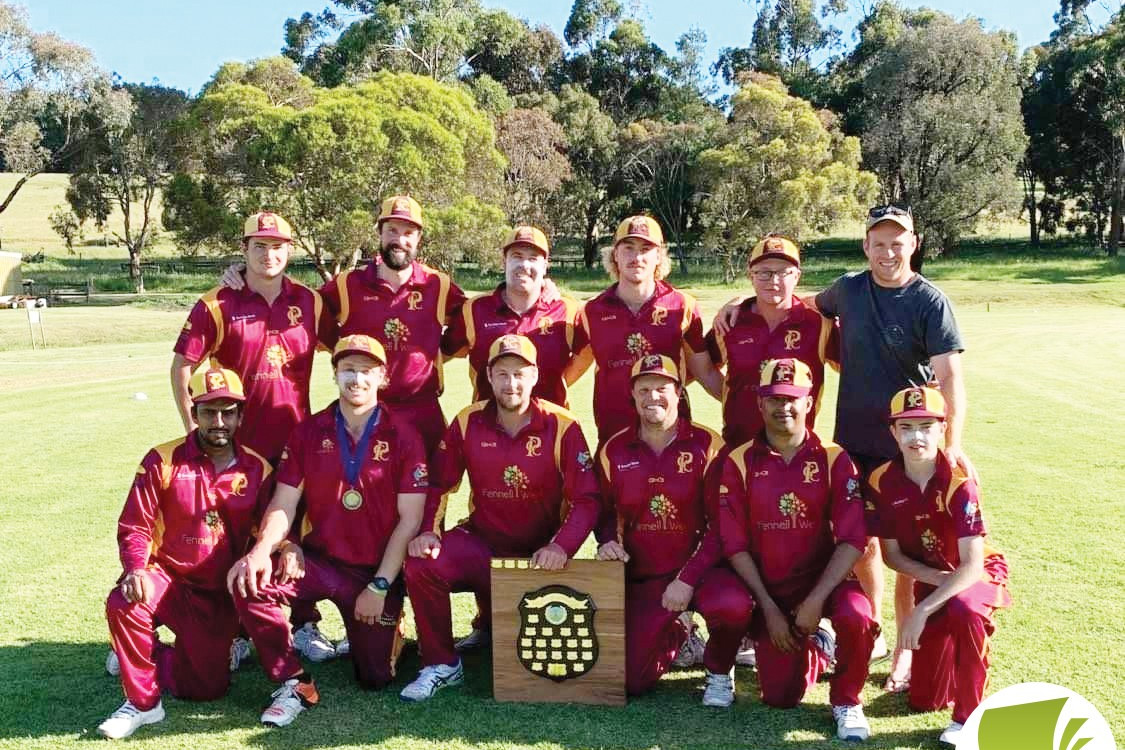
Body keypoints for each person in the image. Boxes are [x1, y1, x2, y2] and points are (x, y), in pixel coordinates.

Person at [715, 205, 970, 686]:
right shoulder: (849, 288)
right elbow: (797, 299)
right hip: (855, 442)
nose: (888, 251)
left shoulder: (929, 301)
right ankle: (865, 633)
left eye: (898, 242)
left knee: (910, 549)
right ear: (865, 246)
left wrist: (951, 445)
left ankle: (903, 651)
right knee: (862, 543)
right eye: (879, 242)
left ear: (913, 244)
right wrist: (741, 301)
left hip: (910, 442)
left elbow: (952, 378)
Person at [227, 335, 428, 726]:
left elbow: (411, 520)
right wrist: (265, 548)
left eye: (367, 371)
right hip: (319, 563)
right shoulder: (308, 430)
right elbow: (283, 503)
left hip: (373, 574)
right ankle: (293, 680)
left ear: (382, 377)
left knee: (374, 679)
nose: (357, 379)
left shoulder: (404, 434)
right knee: (248, 581)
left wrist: (381, 586)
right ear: (335, 373)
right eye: (348, 369)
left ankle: (391, 626)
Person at [400, 334, 600, 702]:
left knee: (537, 647)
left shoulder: (563, 425)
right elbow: (440, 485)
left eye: (520, 374)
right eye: (503, 374)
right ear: (488, 377)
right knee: (421, 563)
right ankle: (441, 663)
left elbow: (586, 500)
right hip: (484, 545)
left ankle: (493, 625)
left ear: (536, 375)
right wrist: (429, 531)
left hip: (540, 557)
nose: (511, 383)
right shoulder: (468, 420)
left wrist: (561, 546)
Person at [179, 211, 339, 664]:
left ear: (290, 251)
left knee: (299, 531)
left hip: (298, 441)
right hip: (238, 444)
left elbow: (348, 344)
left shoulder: (311, 301)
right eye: (259, 246)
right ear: (244, 249)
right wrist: (194, 427)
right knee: (233, 532)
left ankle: (304, 623)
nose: (269, 254)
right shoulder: (218, 301)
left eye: (278, 246)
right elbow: (182, 366)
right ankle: (239, 629)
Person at [98, 368, 273, 740]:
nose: (219, 422)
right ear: (194, 414)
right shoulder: (161, 460)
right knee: (125, 601)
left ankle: (141, 656)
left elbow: (268, 533)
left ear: (241, 415)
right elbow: (135, 526)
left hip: (218, 593)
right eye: (209, 412)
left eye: (228, 412)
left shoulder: (259, 468)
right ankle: (143, 703)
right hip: (167, 578)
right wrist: (135, 570)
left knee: (207, 689)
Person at [715, 358, 875, 741]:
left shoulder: (835, 459)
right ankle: (818, 647)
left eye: (792, 398)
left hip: (825, 583)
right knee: (780, 697)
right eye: (772, 398)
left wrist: (817, 600)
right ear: (759, 404)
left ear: (809, 403)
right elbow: (734, 545)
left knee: (857, 614)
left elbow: (853, 539)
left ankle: (847, 699)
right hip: (771, 589)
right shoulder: (738, 461)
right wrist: (769, 609)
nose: (782, 406)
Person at [595, 354, 752, 705]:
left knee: (734, 605)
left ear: (679, 393)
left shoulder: (708, 445)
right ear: (632, 396)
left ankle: (718, 669)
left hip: (706, 571)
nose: (653, 397)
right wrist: (607, 541)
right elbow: (603, 510)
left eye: (662, 389)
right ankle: (680, 631)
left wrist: (687, 578)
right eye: (644, 389)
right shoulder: (613, 449)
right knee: (632, 681)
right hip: (647, 575)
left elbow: (724, 525)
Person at [866, 386, 1010, 747]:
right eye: (907, 427)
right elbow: (892, 555)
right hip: (936, 578)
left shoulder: (960, 482)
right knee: (923, 700)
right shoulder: (880, 480)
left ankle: (968, 718)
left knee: (964, 609)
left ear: (943, 428)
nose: (917, 437)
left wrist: (921, 611)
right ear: (893, 432)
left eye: (927, 426)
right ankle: (947, 667)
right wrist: (935, 583)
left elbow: (972, 565)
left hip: (977, 573)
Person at [566, 215, 722, 443]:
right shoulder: (591, 312)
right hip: (614, 441)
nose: (637, 257)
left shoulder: (682, 306)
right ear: (615, 255)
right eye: (628, 248)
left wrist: (753, 409)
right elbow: (567, 375)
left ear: (658, 255)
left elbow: (706, 373)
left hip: (672, 442)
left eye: (646, 249)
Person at [706, 234, 838, 447]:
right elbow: (701, 367)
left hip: (798, 453)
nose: (773, 281)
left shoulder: (819, 322)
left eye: (783, 272)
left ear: (797, 276)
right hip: (738, 448)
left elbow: (855, 369)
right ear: (751, 276)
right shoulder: (731, 320)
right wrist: (734, 397)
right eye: (764, 273)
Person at [442, 225, 582, 407]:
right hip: (487, 428)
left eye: (533, 258)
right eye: (517, 256)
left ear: (545, 266)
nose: (525, 265)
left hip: (552, 430)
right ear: (504, 261)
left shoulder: (567, 311)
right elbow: (437, 353)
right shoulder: (474, 309)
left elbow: (592, 353)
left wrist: (560, 382)